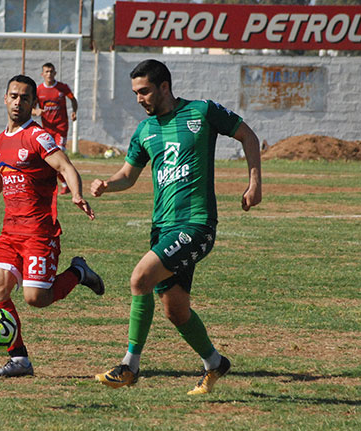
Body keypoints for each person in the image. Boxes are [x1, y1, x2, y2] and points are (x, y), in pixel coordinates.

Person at [91, 59, 262, 394]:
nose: (139, 99)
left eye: (144, 91)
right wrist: (107, 184)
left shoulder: (201, 112)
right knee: (175, 309)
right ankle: (215, 362)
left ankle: (129, 365)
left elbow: (248, 136)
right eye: (135, 93)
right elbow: (128, 175)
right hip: (163, 228)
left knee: (140, 277)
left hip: (196, 224)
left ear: (164, 87)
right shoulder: (145, 131)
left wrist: (254, 183)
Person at [0, 75, 104, 378]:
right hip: (10, 232)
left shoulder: (38, 137)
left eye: (25, 98)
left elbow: (65, 167)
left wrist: (76, 193)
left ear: (33, 104)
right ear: (5, 98)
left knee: (37, 299)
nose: (18, 102)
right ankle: (19, 359)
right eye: (13, 96)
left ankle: (78, 272)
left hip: (39, 231)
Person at [32, 62, 78, 195]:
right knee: (48, 160)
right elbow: (32, 108)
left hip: (61, 128)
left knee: (59, 156)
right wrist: (36, 112)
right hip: (47, 130)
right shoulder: (39, 90)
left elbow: (73, 99)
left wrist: (74, 111)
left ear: (55, 73)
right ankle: (64, 183)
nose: (49, 74)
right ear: (42, 74)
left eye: (51, 71)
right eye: (46, 72)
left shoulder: (62, 88)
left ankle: (67, 184)